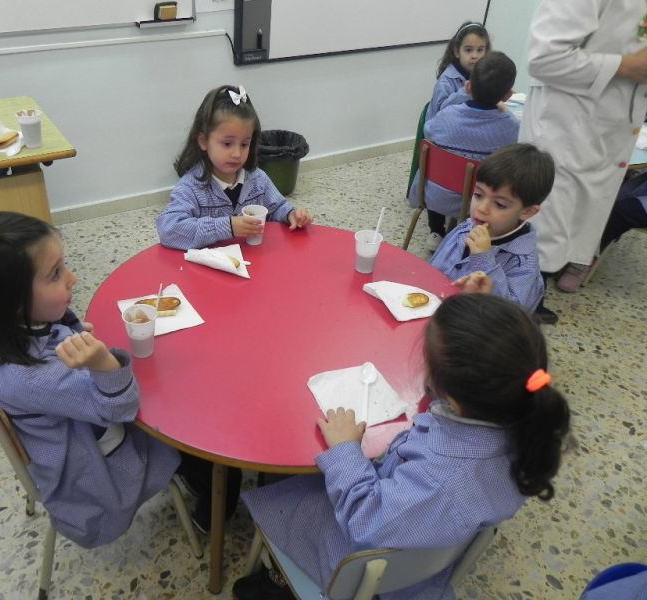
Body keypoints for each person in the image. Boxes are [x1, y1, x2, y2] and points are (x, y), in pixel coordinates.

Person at [232, 294, 570, 600]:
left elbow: (366, 521)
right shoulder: (525, 424)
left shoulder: (441, 480)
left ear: (452, 397)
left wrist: (346, 449)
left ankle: (277, 580)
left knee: (285, 487)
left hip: (363, 561)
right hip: (429, 539)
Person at [0, 211, 180, 548]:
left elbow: (56, 336)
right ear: (12, 301)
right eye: (55, 273)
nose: (72, 278)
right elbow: (121, 409)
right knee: (188, 429)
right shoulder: (34, 379)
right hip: (99, 484)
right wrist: (104, 362)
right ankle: (208, 502)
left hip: (75, 438)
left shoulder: (1, 335)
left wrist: (70, 331)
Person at [518, 0, 647, 306]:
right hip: (566, 137)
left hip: (605, 139)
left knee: (557, 250)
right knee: (535, 250)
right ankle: (519, 314)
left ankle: (529, 308)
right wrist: (627, 66)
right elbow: (544, 58)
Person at [156, 84, 313, 251]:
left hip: (256, 261)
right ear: (203, 141)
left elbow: (278, 207)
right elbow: (168, 230)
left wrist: (292, 214)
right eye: (227, 144)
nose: (237, 154)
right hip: (210, 265)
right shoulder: (190, 187)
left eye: (244, 144)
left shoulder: (258, 179)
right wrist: (228, 226)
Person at [410, 51, 521, 251]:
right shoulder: (511, 127)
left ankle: (436, 231)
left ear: (468, 86)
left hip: (434, 197)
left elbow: (429, 130)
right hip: (478, 205)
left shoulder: (446, 115)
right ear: (508, 95)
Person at [430, 144, 555, 314]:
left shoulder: (523, 263)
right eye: (478, 195)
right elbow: (434, 267)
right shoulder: (468, 226)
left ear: (527, 212)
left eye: (500, 204)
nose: (481, 208)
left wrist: (483, 259)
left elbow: (508, 314)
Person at [424, 21, 490, 123]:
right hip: (441, 128)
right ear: (457, 52)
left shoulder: (485, 75)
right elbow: (441, 112)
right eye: (468, 50)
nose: (475, 56)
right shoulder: (446, 80)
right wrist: (466, 92)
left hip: (468, 124)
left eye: (480, 50)